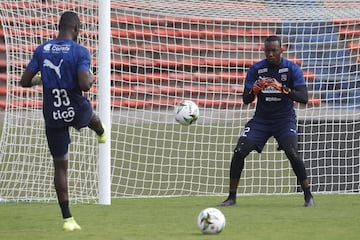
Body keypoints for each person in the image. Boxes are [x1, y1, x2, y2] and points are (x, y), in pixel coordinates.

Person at [20, 11, 107, 231]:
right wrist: (91, 76)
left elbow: (24, 81)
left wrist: (42, 80)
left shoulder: (42, 50)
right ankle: (101, 134)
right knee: (93, 119)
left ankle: (68, 219)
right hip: (75, 107)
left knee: (60, 166)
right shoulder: (80, 52)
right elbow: (86, 85)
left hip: (53, 112)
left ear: (59, 28)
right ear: (77, 29)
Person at [218, 35, 315, 207]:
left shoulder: (292, 69)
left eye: (274, 51)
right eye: (267, 51)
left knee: (292, 153)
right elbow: (246, 100)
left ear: (281, 50)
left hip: (284, 120)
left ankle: (308, 196)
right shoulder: (256, 69)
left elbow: (304, 98)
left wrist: (283, 89)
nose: (270, 54)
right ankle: (231, 197)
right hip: (261, 120)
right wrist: (254, 89)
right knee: (239, 151)